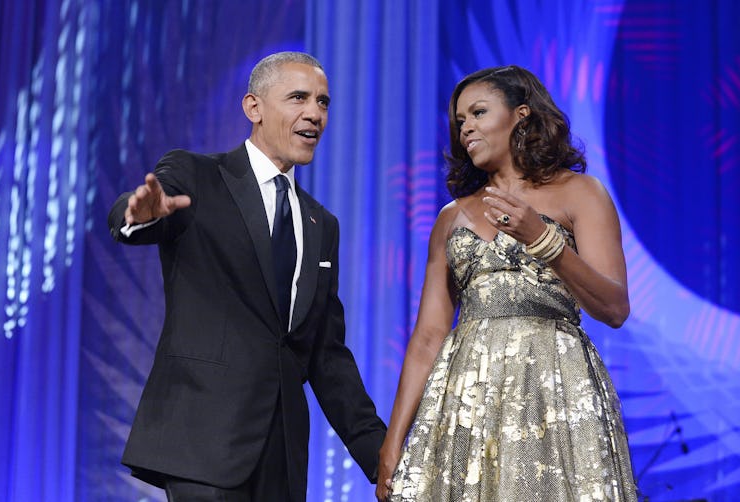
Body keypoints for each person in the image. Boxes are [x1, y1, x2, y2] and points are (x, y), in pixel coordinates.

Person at [108, 51, 386, 502]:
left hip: (282, 457)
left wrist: (380, 457)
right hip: (203, 442)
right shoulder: (196, 176)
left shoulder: (321, 223)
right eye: (298, 97)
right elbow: (139, 211)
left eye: (323, 102)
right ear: (253, 107)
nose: (314, 113)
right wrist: (137, 215)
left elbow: (326, 355)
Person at [376, 65, 636, 501]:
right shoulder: (450, 217)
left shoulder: (580, 193)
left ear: (521, 114)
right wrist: (392, 440)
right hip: (466, 401)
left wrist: (542, 238)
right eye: (460, 122)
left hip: (553, 391)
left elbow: (614, 308)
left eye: (478, 113)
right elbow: (428, 337)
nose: (466, 129)